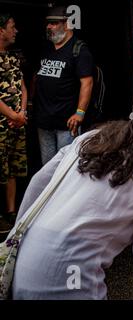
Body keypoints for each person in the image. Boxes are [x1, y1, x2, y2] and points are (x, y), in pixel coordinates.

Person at [9, 77, 133, 299]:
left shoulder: (90, 139)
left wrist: (16, 237)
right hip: (70, 274)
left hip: (25, 257)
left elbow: (38, 184)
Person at [34, 5, 94, 165]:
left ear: (67, 25)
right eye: (48, 23)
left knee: (64, 168)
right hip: (44, 123)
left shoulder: (79, 50)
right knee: (47, 169)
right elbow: (36, 77)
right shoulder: (46, 48)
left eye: (54, 23)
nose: (49, 27)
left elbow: (87, 82)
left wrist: (80, 113)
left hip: (66, 124)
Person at [0, 13, 28, 231]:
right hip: (3, 126)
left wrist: (22, 113)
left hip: (17, 124)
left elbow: (23, 86)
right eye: (12, 26)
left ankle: (10, 213)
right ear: (1, 30)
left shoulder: (13, 57)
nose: (15, 31)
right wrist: (13, 116)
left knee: (13, 170)